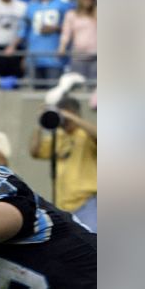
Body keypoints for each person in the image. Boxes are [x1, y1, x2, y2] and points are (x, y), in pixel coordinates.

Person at [29, 95, 97, 231]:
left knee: (94, 244)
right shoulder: (59, 136)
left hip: (88, 203)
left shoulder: (85, 134)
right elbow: (35, 151)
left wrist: (72, 117)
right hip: (63, 206)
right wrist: (41, 122)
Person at [22, 0, 72, 86]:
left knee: (53, 95)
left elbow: (71, 28)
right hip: (34, 57)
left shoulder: (62, 4)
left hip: (54, 58)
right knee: (34, 97)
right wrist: (25, 55)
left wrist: (56, 29)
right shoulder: (31, 6)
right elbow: (25, 31)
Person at [59, 0, 96, 81]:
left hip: (96, 56)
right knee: (78, 86)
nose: (88, 0)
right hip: (78, 56)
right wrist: (62, 47)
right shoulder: (71, 15)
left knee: (95, 87)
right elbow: (66, 33)